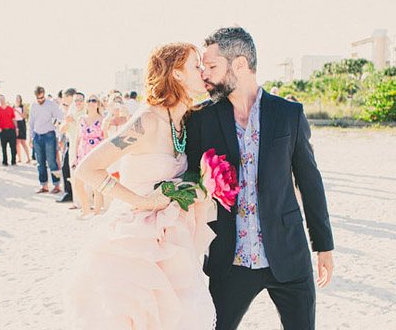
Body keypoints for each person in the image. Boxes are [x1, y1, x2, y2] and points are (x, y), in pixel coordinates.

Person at [187, 27, 334, 330]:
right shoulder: (201, 118)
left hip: (289, 258)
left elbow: (309, 181)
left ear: (239, 64)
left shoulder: (289, 114)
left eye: (212, 66)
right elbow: (189, 178)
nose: (205, 75)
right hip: (230, 261)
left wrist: (324, 246)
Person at [64, 42, 216, 329]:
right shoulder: (146, 120)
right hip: (135, 241)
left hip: (172, 241)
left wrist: (200, 188)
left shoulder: (183, 122)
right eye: (195, 65)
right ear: (177, 75)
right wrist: (144, 202)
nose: (203, 71)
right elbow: (88, 169)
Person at [74, 94, 105, 216]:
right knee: (78, 183)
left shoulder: (102, 119)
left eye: (94, 100)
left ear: (98, 104)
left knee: (96, 186)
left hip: (96, 153)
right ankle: (86, 209)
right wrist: (75, 157)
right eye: (89, 100)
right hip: (82, 153)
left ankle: (97, 213)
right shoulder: (81, 118)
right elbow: (77, 139)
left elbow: (105, 138)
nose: (91, 102)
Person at [29, 86, 64, 194]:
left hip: (49, 135)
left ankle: (57, 185)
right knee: (40, 163)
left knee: (52, 161)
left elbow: (60, 117)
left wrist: (57, 128)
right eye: (38, 98)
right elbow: (31, 122)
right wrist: (30, 137)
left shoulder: (51, 104)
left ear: (44, 94)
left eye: (42, 97)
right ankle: (44, 185)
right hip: (37, 136)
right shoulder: (33, 105)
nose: (40, 100)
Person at [0, 95, 17, 166]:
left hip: (11, 130)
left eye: (3, 99)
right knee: (4, 147)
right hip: (2, 131)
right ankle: (5, 161)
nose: (2, 100)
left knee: (13, 147)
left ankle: (13, 161)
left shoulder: (10, 108)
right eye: (0, 99)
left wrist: (16, 128)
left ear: (5, 99)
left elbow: (14, 119)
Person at [14, 95, 31, 164]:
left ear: (21, 99)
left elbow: (24, 116)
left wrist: (17, 111)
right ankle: (19, 158)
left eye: (18, 98)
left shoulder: (22, 106)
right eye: (16, 98)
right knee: (17, 143)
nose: (17, 99)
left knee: (23, 142)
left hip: (22, 124)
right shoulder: (13, 107)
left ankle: (28, 158)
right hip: (16, 124)